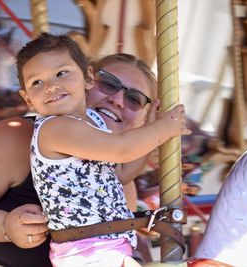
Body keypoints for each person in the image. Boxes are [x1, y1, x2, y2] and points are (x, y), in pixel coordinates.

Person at [0, 47, 181, 266]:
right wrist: (4, 226)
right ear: (86, 80)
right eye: (108, 83)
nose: (117, 100)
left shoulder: (117, 179)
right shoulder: (18, 139)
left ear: (143, 120)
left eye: (134, 99)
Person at [15, 32, 189, 267]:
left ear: (87, 78)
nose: (51, 86)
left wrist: (152, 128)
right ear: (27, 99)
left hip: (106, 249)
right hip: (86, 252)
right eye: (37, 82)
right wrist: (163, 128)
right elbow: (121, 151)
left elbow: (123, 173)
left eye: (61, 73)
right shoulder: (56, 128)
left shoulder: (92, 126)